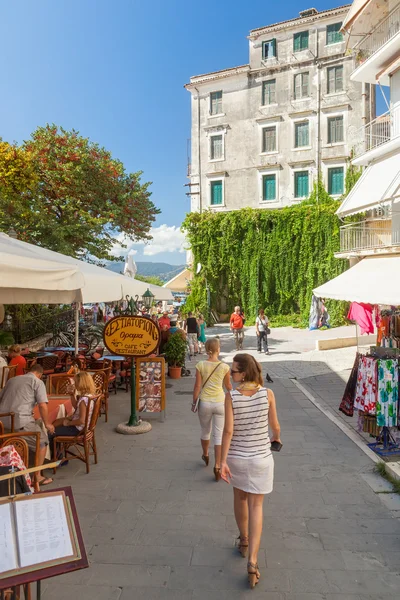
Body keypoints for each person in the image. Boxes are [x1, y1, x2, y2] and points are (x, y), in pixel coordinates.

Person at [221, 354, 281, 589]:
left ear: (243, 373)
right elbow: (274, 426)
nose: (231, 375)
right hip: (261, 459)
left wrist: (222, 461)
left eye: (233, 371)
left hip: (237, 457)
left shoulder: (231, 397)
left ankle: (243, 540)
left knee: (240, 497)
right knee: (257, 506)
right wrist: (276, 437)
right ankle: (253, 562)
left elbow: (227, 432)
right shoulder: (268, 394)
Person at [0, 364, 55, 486]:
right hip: (20, 422)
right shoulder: (37, 382)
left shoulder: (12, 380)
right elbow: (42, 405)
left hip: (2, 423)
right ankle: (37, 476)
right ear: (40, 374)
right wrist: (47, 424)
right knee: (42, 442)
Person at [192, 338, 232, 481]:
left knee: (205, 431)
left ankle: (205, 454)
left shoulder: (200, 365)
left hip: (205, 403)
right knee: (219, 434)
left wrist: (194, 401)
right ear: (218, 349)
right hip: (220, 403)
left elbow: (197, 386)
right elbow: (228, 386)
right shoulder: (224, 367)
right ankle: (217, 465)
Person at [50, 372, 95, 455]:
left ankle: (58, 458)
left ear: (81, 383)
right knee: (57, 422)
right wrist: (71, 394)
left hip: (78, 429)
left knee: (51, 433)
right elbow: (76, 406)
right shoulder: (89, 396)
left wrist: (68, 423)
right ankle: (60, 450)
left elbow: (81, 420)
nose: (75, 384)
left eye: (76, 382)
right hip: (84, 427)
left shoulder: (83, 400)